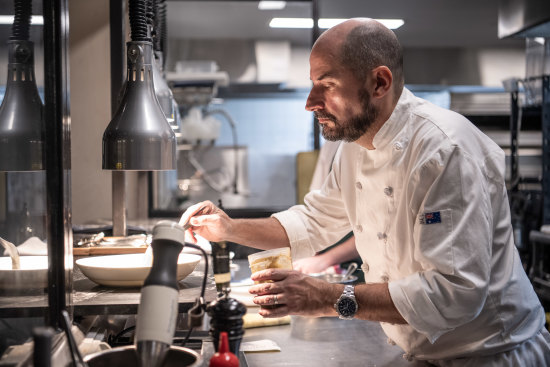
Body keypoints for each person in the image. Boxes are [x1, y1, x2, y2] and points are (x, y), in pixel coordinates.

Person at [180, 18, 550, 366]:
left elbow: (454, 293)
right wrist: (228, 229)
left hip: (492, 355)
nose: (310, 102)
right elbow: (312, 222)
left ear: (379, 83)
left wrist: (325, 298)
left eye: (326, 85)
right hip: (422, 353)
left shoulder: (444, 151)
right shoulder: (355, 147)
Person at [293, 140, 361, 275]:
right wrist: (312, 254)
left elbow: (377, 230)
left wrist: (325, 260)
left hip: (361, 264)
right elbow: (319, 211)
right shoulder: (331, 144)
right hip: (328, 263)